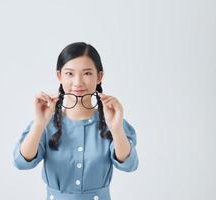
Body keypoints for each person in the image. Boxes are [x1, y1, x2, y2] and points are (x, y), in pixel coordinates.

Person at [13, 42, 139, 200]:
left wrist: (116, 128)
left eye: (87, 73)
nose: (78, 82)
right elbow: (21, 162)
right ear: (59, 76)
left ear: (99, 76)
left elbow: (129, 165)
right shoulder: (46, 123)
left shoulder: (112, 121)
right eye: (69, 74)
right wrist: (39, 124)